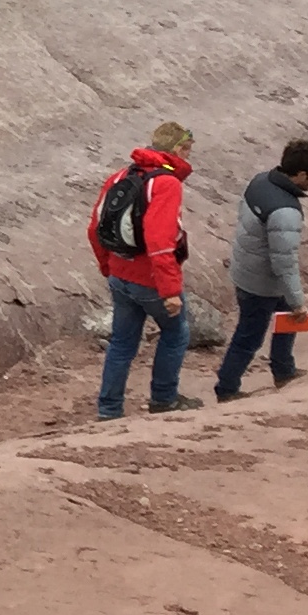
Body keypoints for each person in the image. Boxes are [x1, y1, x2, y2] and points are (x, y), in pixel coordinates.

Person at [89, 121, 198, 419]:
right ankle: (164, 399)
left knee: (122, 343)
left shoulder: (120, 176)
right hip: (149, 278)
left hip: (120, 273)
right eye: (188, 150)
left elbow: (94, 227)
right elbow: (160, 240)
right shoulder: (166, 184)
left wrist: (107, 266)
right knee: (175, 334)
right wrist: (170, 290)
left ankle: (109, 409)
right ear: (179, 149)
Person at [216, 137, 308, 401]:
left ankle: (284, 369)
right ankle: (227, 388)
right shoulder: (285, 211)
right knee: (250, 335)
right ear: (301, 174)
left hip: (245, 268)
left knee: (282, 320)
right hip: (262, 282)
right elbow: (284, 261)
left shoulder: (261, 181)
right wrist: (298, 301)